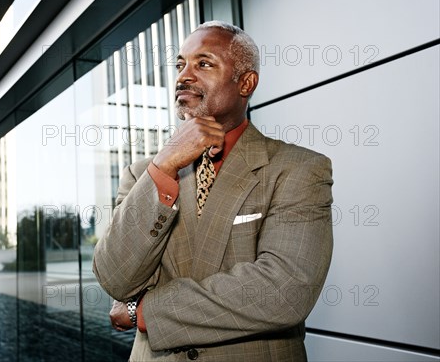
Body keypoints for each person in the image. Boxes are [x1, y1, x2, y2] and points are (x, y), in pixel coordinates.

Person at [92, 20, 333, 361]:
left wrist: (144, 312)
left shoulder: (297, 168)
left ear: (246, 82)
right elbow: (115, 279)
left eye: (203, 64)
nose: (183, 76)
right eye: (180, 65)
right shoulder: (144, 174)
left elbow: (284, 290)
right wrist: (164, 167)